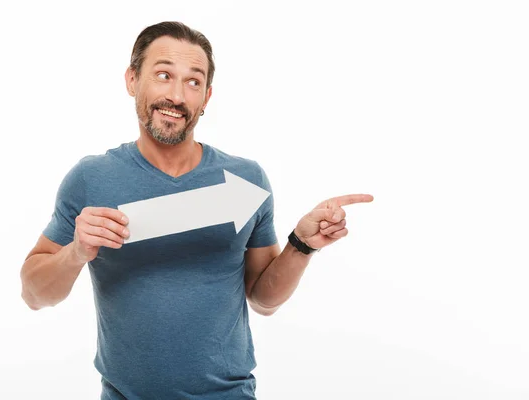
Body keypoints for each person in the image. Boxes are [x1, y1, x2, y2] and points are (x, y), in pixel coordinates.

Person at [20, 21, 373, 399]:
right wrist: (76, 251)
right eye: (163, 75)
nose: (176, 95)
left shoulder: (245, 180)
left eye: (193, 82)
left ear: (206, 97)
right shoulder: (92, 179)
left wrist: (302, 244)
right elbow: (35, 294)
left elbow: (263, 300)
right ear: (132, 81)